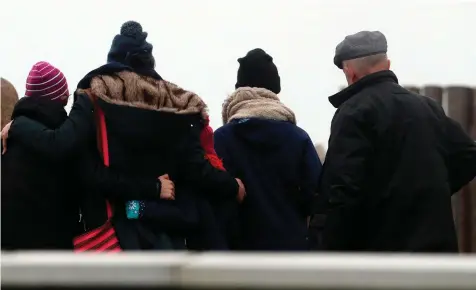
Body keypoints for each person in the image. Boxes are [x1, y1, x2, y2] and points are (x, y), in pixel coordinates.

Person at [2, 21, 245, 250]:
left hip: (119, 228)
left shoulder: (94, 100)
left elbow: (90, 173)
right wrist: (232, 186)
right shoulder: (180, 107)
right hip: (173, 225)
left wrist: (17, 125)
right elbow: (196, 168)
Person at [317, 30, 476, 252]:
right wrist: (431, 191)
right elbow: (468, 155)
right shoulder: (428, 108)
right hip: (436, 255)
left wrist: (325, 250)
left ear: (349, 72)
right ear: (387, 64)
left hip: (381, 259)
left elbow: (342, 190)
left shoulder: (353, 112)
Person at [214, 48, 322, 251]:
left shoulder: (221, 138)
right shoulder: (297, 137)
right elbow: (315, 196)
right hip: (290, 252)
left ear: (239, 89)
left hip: (236, 254)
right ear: (274, 90)